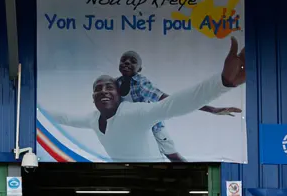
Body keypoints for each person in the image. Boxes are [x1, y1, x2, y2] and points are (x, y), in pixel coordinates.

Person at [45, 37, 246, 161]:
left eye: (132, 61)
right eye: (99, 89)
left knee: (173, 155)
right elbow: (64, 118)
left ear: (139, 68)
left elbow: (172, 102)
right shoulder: (94, 117)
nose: (105, 91)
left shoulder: (138, 99)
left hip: (151, 123)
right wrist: (35, 112)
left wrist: (221, 85)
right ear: (93, 98)